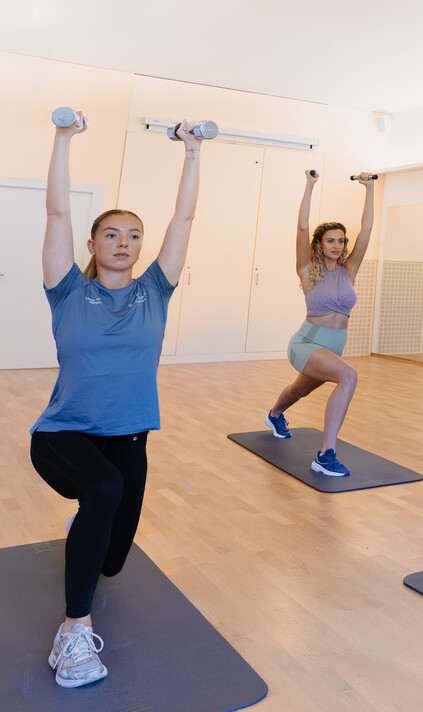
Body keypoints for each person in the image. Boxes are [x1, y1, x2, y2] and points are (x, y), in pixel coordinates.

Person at [29, 112, 202, 687]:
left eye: (133, 235)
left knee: (113, 560)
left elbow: (184, 218)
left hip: (129, 438)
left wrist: (192, 152)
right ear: (93, 243)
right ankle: (73, 634)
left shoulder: (155, 291)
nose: (123, 243)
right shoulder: (67, 291)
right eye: (111, 234)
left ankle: (89, 529)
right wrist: (63, 139)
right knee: (103, 489)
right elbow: (57, 212)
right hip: (63, 434)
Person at [264, 170, 375, 477]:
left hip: (332, 349)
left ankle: (275, 414)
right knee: (348, 375)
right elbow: (302, 227)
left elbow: (367, 228)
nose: (337, 245)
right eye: (330, 240)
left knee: (298, 391)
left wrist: (369, 188)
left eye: (341, 241)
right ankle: (326, 455)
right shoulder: (307, 269)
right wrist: (310, 185)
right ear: (320, 244)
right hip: (306, 343)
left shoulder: (349, 269)